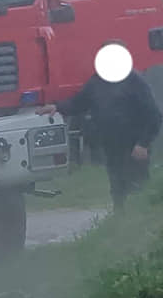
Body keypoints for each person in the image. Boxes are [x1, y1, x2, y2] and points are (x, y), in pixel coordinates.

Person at [37, 53, 163, 211]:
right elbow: (79, 102)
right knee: (118, 188)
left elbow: (154, 116)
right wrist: (57, 107)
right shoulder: (97, 82)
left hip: (134, 147)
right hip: (112, 146)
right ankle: (119, 221)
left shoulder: (134, 81)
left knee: (138, 188)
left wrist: (143, 144)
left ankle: (141, 223)